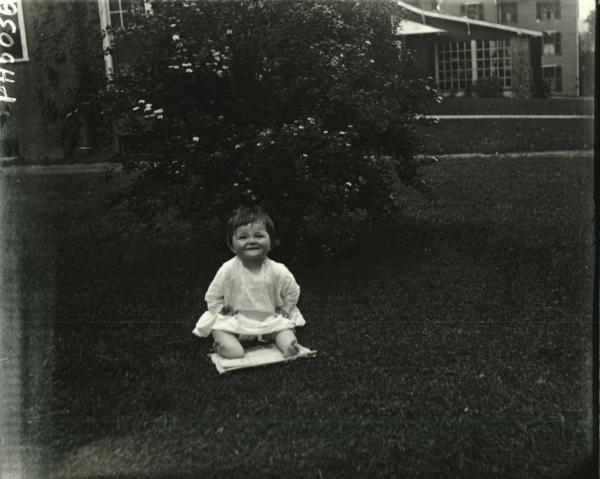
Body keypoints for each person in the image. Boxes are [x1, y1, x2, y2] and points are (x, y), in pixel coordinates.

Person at [192, 206, 305, 358]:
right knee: (221, 328)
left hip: (269, 319)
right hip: (235, 319)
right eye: (243, 237)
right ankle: (227, 347)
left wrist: (286, 309)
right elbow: (212, 296)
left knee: (283, 329)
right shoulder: (228, 270)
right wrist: (220, 310)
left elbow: (293, 291)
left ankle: (288, 346)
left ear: (271, 242)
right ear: (232, 246)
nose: (251, 241)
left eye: (259, 236)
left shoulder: (278, 270)